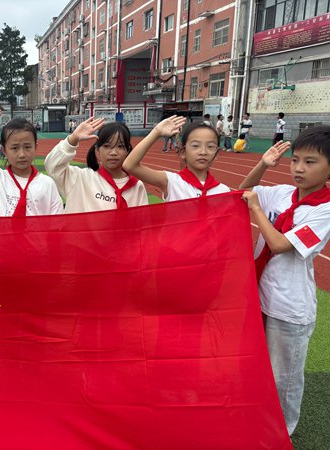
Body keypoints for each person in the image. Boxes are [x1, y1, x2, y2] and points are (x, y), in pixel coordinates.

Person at [239, 127, 330, 436]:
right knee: (260, 365)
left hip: (290, 307)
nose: (299, 168)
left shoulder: (325, 210)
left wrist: (256, 208)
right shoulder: (282, 193)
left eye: (310, 162)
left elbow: (279, 244)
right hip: (262, 294)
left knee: (284, 377)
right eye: (295, 160)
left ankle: (282, 431)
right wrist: (263, 164)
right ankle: (260, 418)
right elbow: (244, 190)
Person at [44, 117, 148, 213]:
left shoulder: (137, 186)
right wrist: (73, 139)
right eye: (107, 146)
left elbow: (143, 223)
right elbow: (52, 165)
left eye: (120, 146)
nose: (113, 152)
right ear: (97, 150)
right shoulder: (79, 179)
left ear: (127, 150)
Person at [122, 117, 231, 201]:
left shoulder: (223, 191)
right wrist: (156, 132)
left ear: (216, 153)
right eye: (195, 146)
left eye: (210, 146)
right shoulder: (171, 182)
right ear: (183, 152)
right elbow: (129, 165)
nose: (203, 152)